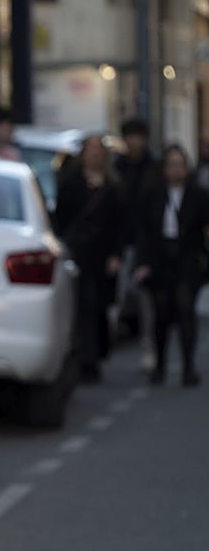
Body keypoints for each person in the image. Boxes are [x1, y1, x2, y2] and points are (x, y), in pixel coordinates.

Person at [133, 144, 209, 387]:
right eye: (171, 165)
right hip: (160, 257)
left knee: (185, 308)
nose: (176, 170)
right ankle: (161, 364)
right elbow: (143, 232)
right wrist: (142, 262)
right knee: (161, 312)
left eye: (180, 165)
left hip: (187, 257)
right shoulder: (152, 195)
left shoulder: (199, 195)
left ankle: (188, 366)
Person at [53, 134, 123, 382]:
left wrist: (116, 253)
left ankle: (95, 355)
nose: (94, 154)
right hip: (77, 252)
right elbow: (61, 218)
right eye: (90, 149)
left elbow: (119, 223)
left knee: (98, 306)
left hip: (101, 254)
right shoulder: (71, 183)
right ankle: (84, 358)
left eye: (98, 149)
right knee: (81, 305)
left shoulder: (113, 186)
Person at [114, 118, 161, 370]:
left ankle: (149, 347)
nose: (134, 142)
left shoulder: (153, 167)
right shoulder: (119, 167)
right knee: (118, 295)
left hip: (146, 241)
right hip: (123, 240)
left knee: (145, 298)